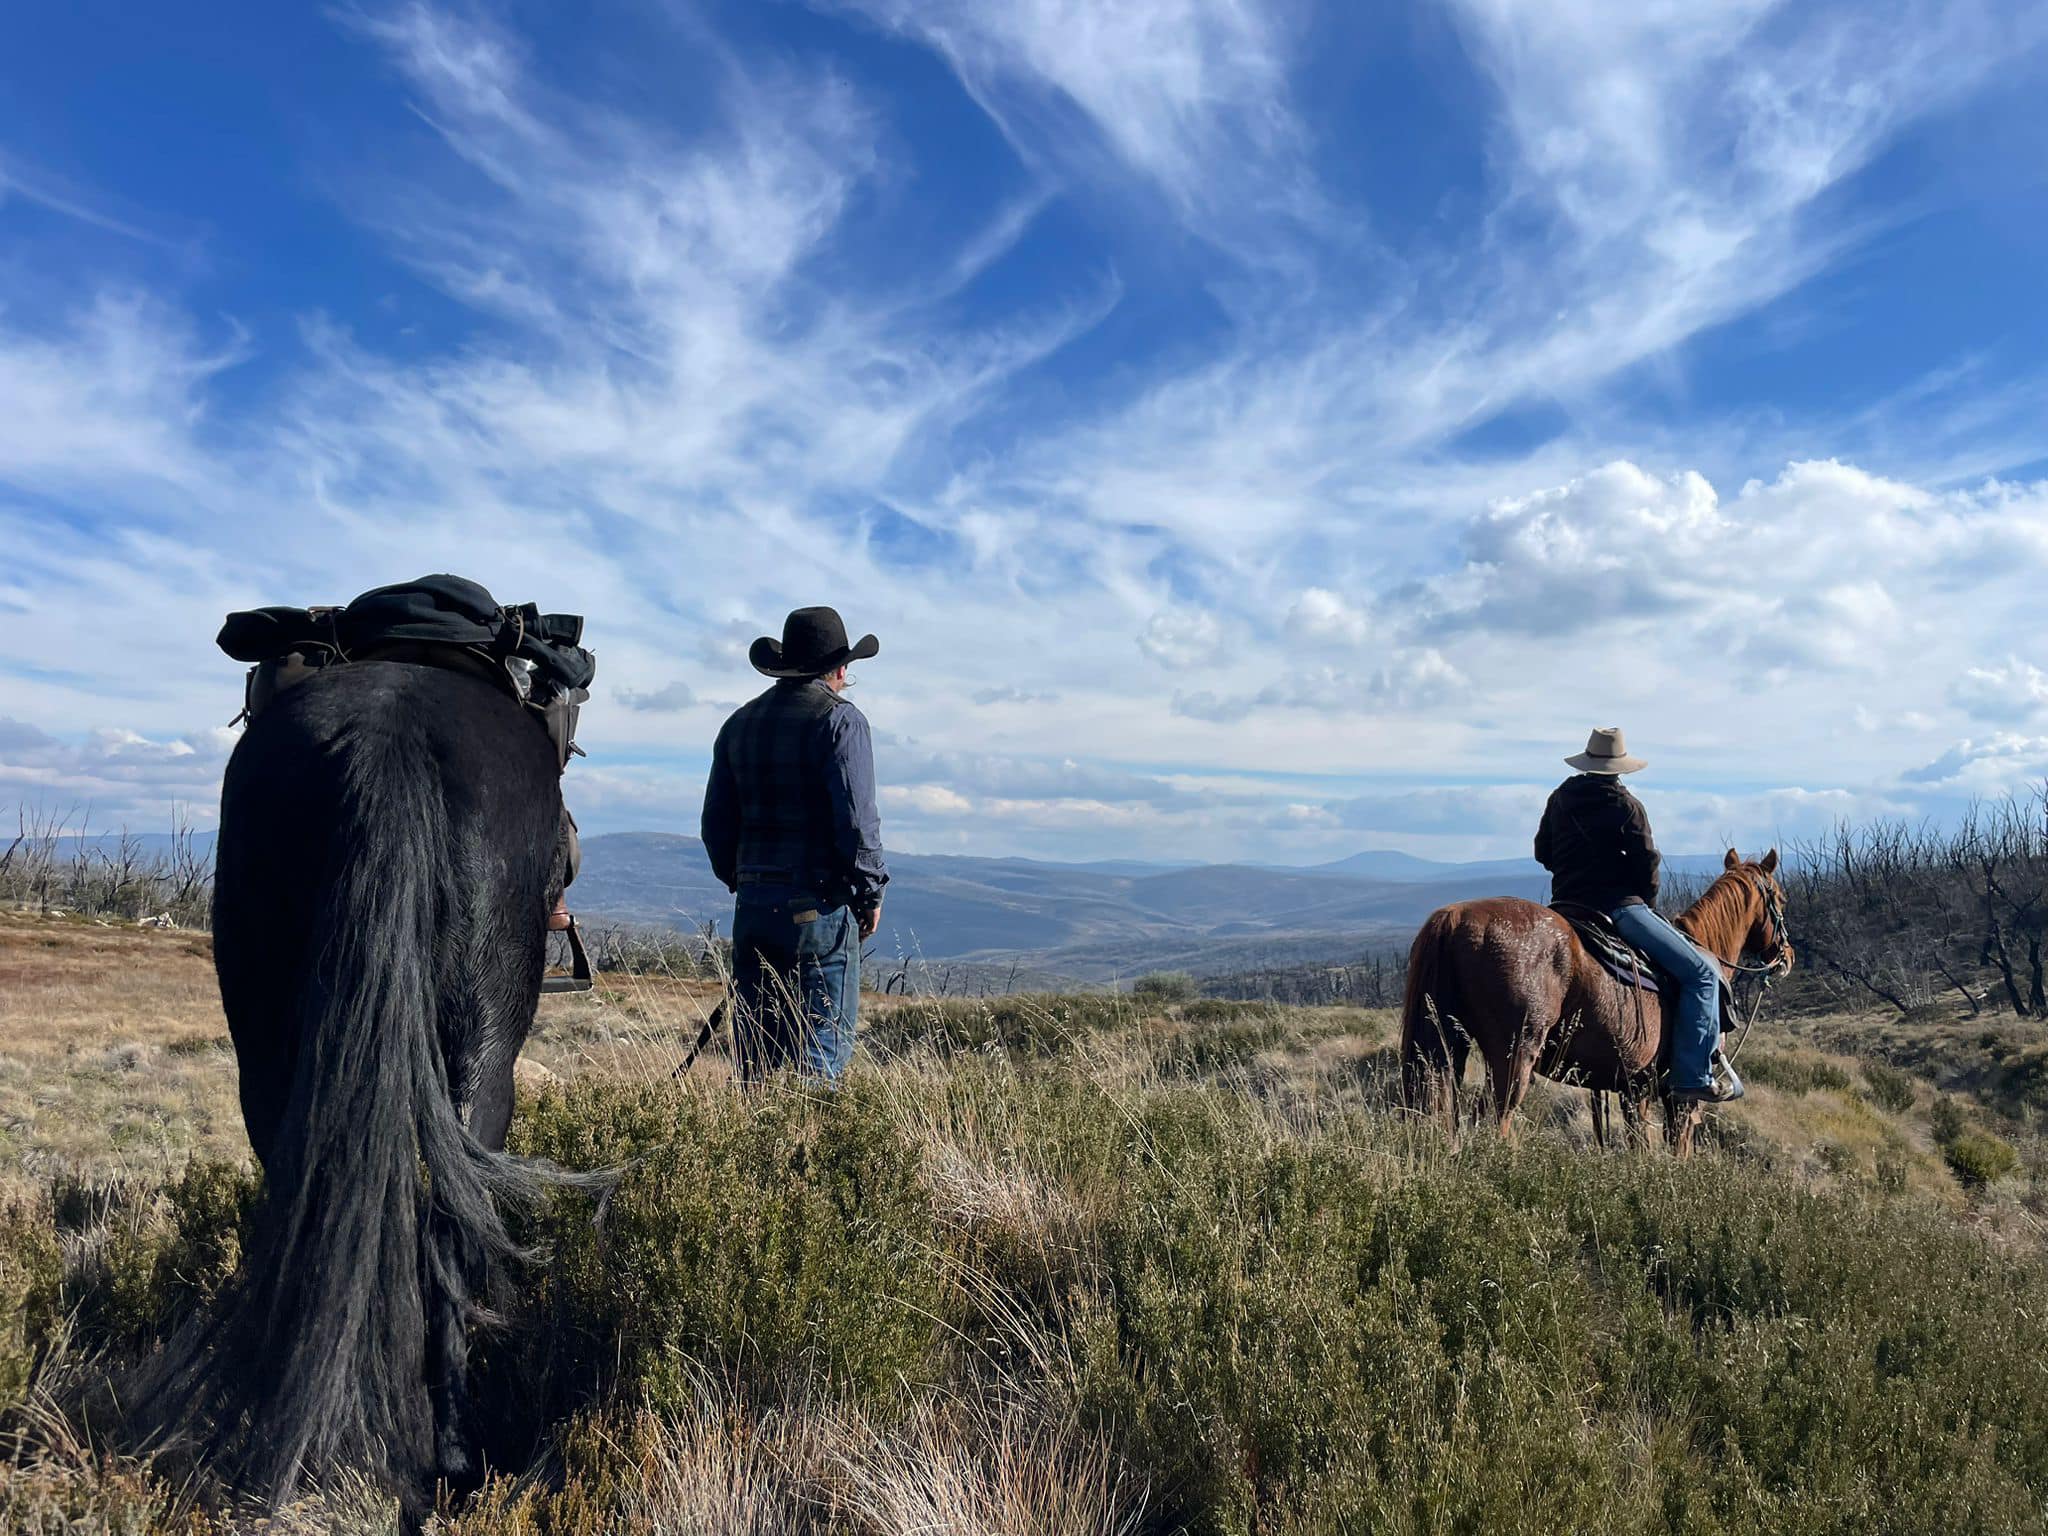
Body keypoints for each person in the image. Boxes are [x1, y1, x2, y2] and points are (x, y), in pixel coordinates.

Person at [701, 607, 888, 1083]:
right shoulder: (841, 721)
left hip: (754, 901)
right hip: (818, 905)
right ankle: (808, 1146)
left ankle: (752, 1150)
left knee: (757, 1056)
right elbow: (857, 822)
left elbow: (715, 826)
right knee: (820, 1052)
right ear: (841, 669)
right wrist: (869, 894)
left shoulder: (738, 725)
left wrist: (743, 879)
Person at [1534, 727, 1741, 1103]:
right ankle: (1693, 1075)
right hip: (1620, 908)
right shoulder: (1626, 805)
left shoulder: (1560, 797)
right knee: (1702, 974)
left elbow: (1542, 852)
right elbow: (1647, 863)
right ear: (1619, 767)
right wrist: (1643, 900)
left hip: (1566, 906)